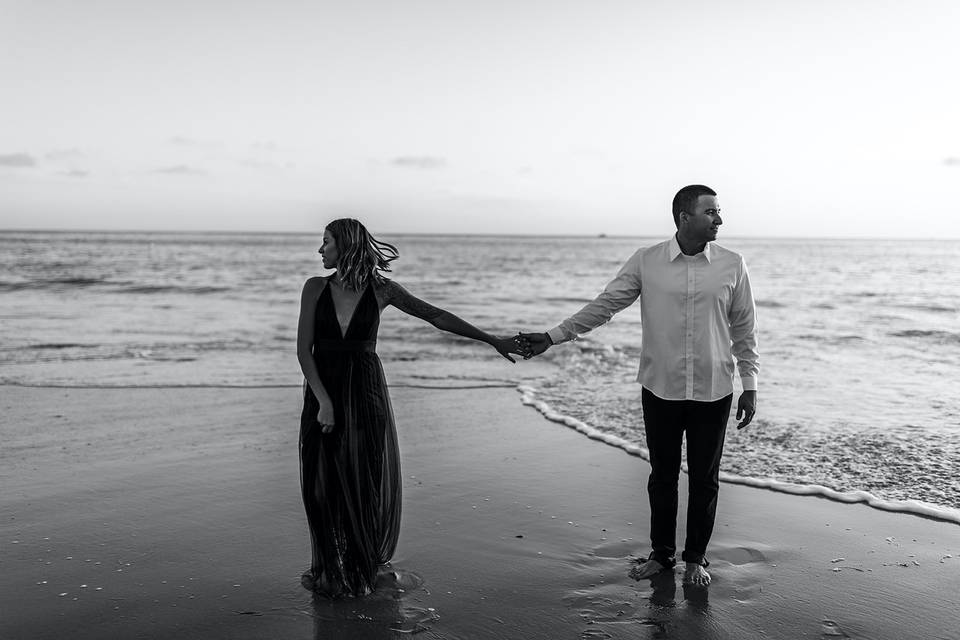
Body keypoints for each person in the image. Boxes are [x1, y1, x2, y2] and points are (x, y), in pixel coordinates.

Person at [519, 185, 759, 587]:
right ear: (684, 217)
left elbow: (745, 328)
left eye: (719, 212)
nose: (719, 219)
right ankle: (661, 556)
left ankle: (697, 559)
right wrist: (554, 335)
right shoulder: (647, 261)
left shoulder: (733, 264)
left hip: (714, 389)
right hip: (660, 387)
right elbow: (605, 305)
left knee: (705, 479)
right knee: (662, 475)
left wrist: (750, 382)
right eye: (711, 212)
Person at [296, 218, 527, 597]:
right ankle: (330, 566)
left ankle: (362, 566)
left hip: (365, 390)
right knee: (322, 483)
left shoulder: (383, 290)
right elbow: (304, 351)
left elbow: (435, 316)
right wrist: (323, 401)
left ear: (346, 246)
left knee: (364, 476)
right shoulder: (315, 288)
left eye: (326, 242)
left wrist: (491, 339)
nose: (320, 250)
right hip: (324, 392)